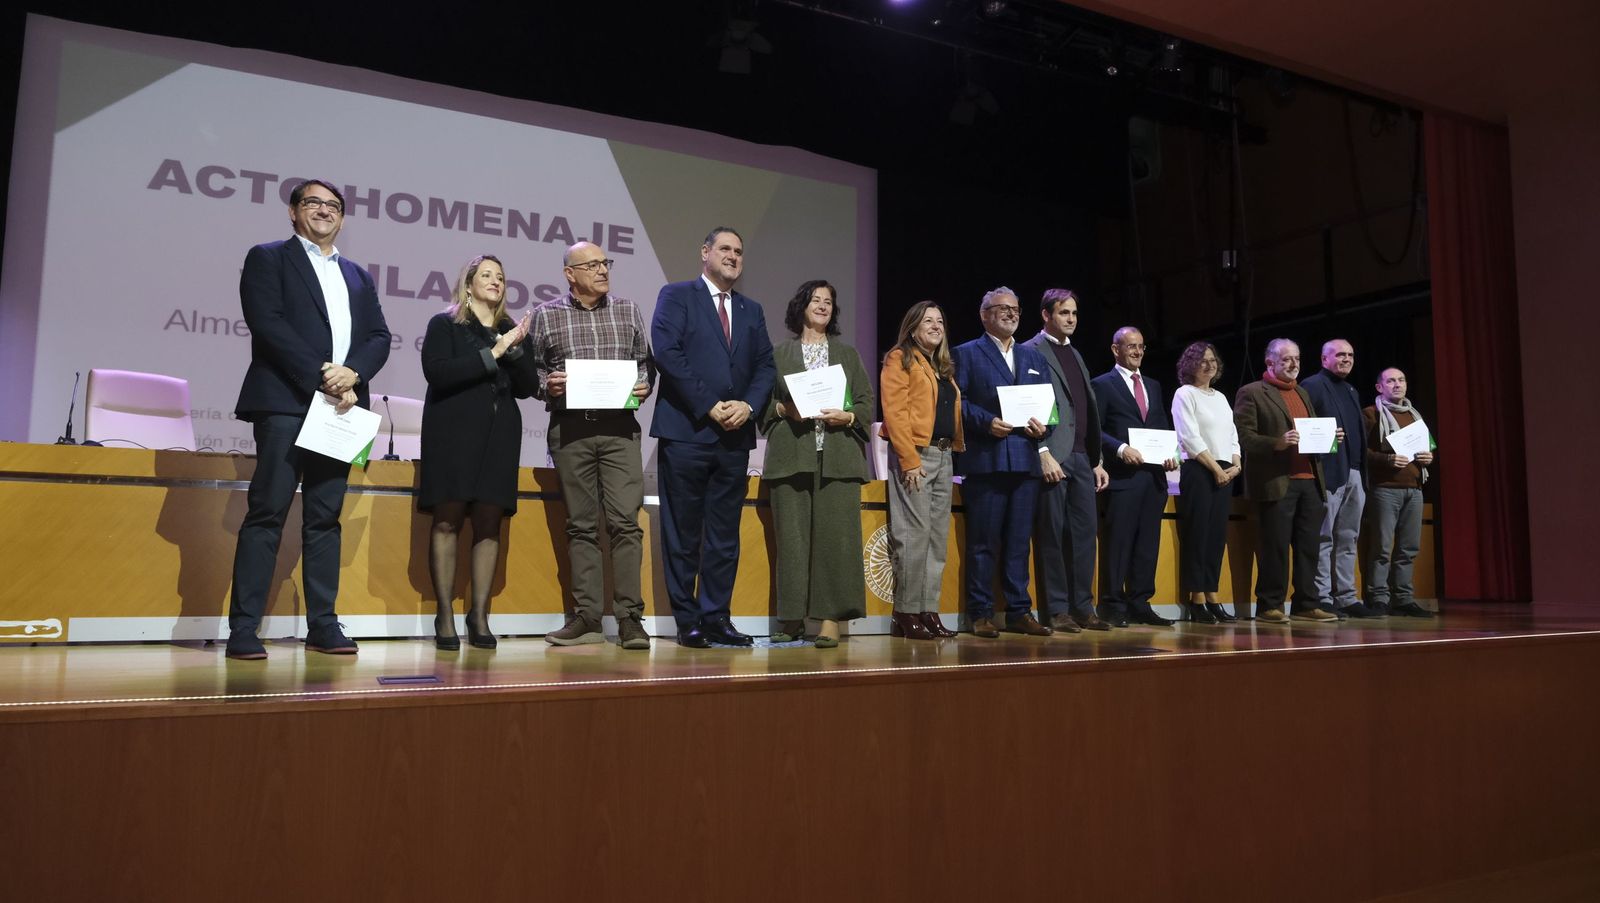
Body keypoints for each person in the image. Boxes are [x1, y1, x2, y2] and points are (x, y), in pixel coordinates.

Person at [226, 179, 391, 660]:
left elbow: (379, 335)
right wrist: (325, 375)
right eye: (313, 203)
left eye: (333, 206)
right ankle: (243, 628)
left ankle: (323, 624)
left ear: (343, 217)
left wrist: (354, 373)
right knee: (267, 513)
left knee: (326, 518)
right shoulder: (269, 257)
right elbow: (267, 322)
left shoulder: (357, 275)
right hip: (286, 402)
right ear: (294, 212)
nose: (324, 211)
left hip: (341, 408)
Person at [651, 227, 776, 647]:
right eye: (725, 248)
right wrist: (709, 404)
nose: (733, 256)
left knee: (724, 536)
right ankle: (688, 620)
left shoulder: (751, 309)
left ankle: (717, 617)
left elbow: (765, 367)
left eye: (739, 252)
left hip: (734, 437)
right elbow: (667, 353)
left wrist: (749, 406)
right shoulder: (676, 295)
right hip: (687, 432)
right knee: (683, 533)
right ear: (705, 252)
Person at [529, 242, 655, 649]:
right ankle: (586, 618)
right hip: (571, 430)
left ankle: (630, 619)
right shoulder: (547, 315)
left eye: (606, 263)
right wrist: (546, 383)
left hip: (620, 430)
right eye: (593, 264)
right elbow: (531, 372)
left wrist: (644, 384)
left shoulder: (627, 308)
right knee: (581, 525)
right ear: (570, 274)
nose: (603, 270)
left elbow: (644, 364)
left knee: (624, 524)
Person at [417, 255, 538, 650]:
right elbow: (438, 373)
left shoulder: (511, 330)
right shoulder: (445, 325)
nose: (495, 282)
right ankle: (445, 614)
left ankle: (480, 615)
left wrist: (513, 349)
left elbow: (527, 387)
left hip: (500, 436)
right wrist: (494, 354)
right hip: (452, 434)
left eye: (501, 277)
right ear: (468, 285)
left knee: (489, 523)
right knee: (447, 520)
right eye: (486, 275)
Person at [761, 280, 874, 648]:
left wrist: (850, 417)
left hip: (837, 458)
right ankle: (792, 619)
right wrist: (783, 409)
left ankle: (829, 620)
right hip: (790, 457)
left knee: (836, 543)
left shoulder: (848, 354)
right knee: (791, 541)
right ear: (801, 307)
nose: (823, 305)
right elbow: (760, 405)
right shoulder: (779, 353)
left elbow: (865, 404)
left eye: (829, 301)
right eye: (816, 300)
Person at [954, 287, 1053, 638]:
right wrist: (985, 422)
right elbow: (957, 402)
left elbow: (1049, 407)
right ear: (984, 315)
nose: (1011, 314)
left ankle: (1019, 611)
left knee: (1018, 541)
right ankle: (979, 613)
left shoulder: (1033, 357)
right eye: (1002, 309)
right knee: (983, 542)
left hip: (1025, 463)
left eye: (1015, 309)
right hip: (986, 460)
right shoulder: (966, 354)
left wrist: (1046, 425)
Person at [1233, 338, 1341, 624]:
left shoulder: (1303, 393)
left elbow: (1311, 434)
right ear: (1270, 363)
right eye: (1286, 360)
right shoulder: (1252, 392)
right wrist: (1277, 443)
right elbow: (1244, 436)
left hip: (1310, 481)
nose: (1294, 364)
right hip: (1277, 481)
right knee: (1275, 546)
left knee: (1309, 547)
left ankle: (1307, 603)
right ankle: (1270, 605)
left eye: (1297, 359)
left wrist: (1330, 438)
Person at [1022, 289, 1111, 633]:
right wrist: (1042, 451)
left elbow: (1085, 409)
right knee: (1053, 534)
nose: (1071, 319)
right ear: (1046, 315)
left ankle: (1083, 606)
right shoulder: (1031, 351)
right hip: (1054, 455)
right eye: (1063, 313)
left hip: (1082, 457)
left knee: (1085, 534)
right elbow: (1029, 405)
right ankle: (1057, 608)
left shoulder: (1076, 354)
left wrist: (1097, 459)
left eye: (1074, 313)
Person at [879, 301, 963, 640]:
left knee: (935, 539)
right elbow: (895, 413)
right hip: (915, 454)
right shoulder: (899, 358)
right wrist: (909, 459)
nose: (935, 325)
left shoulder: (942, 366)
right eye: (927, 321)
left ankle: (928, 610)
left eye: (940, 321)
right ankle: (906, 612)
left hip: (944, 456)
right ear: (913, 327)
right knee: (913, 536)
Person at [1302, 339, 1378, 618]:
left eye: (1350, 355)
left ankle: (1346, 596)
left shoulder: (1351, 389)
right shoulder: (1312, 385)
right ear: (1324, 359)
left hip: (1355, 471)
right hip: (1330, 471)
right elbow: (1304, 426)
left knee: (1349, 536)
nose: (1346, 359)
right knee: (1324, 536)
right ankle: (1322, 596)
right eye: (1340, 355)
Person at [1170, 342, 1241, 623]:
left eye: (1212, 360)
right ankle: (1196, 597)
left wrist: (1236, 464)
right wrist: (1215, 469)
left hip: (1224, 470)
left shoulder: (1221, 397)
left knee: (1215, 536)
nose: (1209, 365)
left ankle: (1212, 593)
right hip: (1200, 469)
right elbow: (1189, 436)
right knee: (1197, 534)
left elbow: (1232, 433)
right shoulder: (1185, 394)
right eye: (1202, 361)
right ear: (1190, 365)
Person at [1362, 367, 1437, 618]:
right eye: (1390, 380)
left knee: (1409, 547)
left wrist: (1428, 457)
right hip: (1385, 489)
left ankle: (1403, 598)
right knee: (1382, 547)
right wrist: (1387, 460)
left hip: (1414, 489)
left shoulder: (1415, 417)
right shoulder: (1371, 414)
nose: (1397, 384)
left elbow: (1426, 450)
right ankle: (1378, 598)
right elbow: (1360, 454)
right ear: (1379, 387)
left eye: (1401, 380)